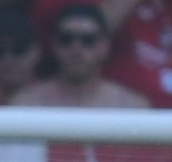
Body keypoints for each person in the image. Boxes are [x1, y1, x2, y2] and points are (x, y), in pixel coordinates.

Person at [11, 5, 148, 108]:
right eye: (66, 39)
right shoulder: (27, 104)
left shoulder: (129, 106)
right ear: (54, 45)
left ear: (105, 47)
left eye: (88, 40)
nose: (76, 48)